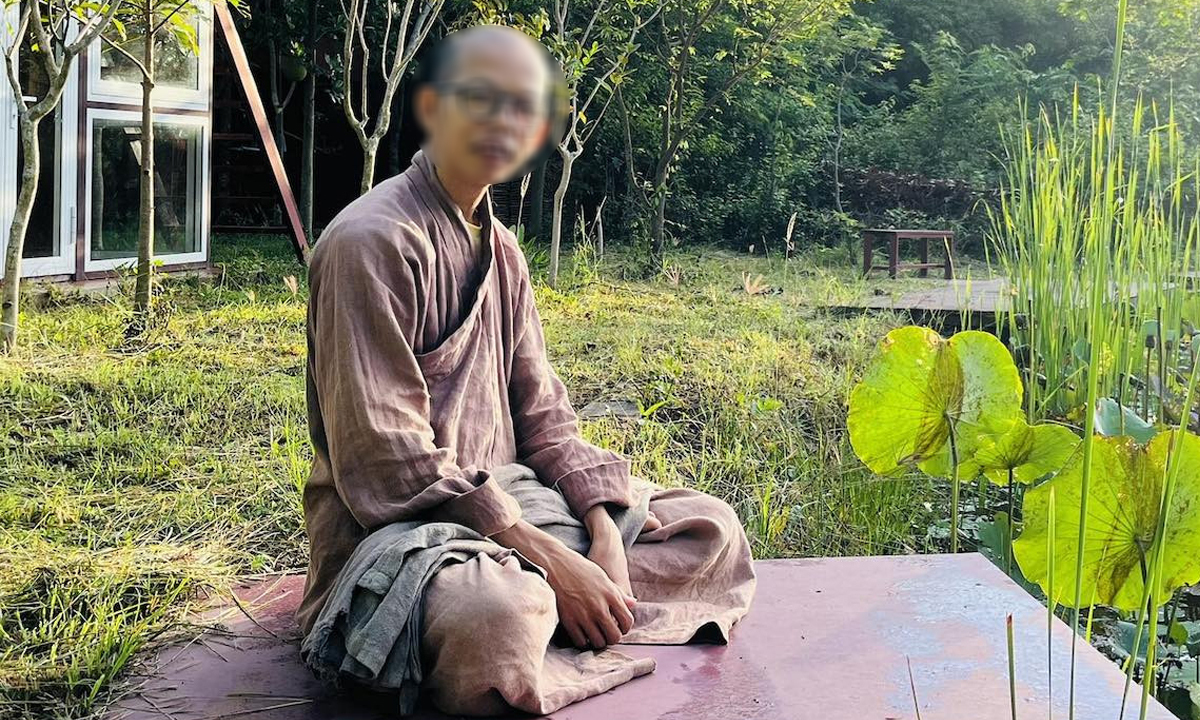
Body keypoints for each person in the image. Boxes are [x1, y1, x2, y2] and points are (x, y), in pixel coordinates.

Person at [298, 24, 756, 716]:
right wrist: (550, 559)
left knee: (710, 529)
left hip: (522, 506)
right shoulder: (369, 242)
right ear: (433, 106)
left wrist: (603, 534)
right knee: (494, 618)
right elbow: (385, 464)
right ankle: (552, 616)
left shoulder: (504, 249)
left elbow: (544, 416)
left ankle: (569, 613)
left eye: (523, 107)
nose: (503, 122)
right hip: (408, 534)